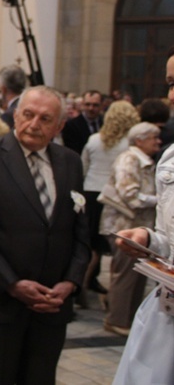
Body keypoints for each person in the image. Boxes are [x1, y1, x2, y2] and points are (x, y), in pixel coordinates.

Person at [0, 85, 90, 385]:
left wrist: (70, 282)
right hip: (2, 303)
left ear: (59, 126)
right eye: (28, 115)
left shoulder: (70, 161)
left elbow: (80, 230)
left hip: (53, 304)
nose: (34, 125)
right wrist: (12, 283)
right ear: (15, 116)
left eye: (45, 119)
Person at [112, 49, 174, 384]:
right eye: (169, 83)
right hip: (168, 316)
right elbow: (169, 238)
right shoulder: (171, 158)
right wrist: (148, 239)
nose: (171, 95)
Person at [98, 122, 160, 336]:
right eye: (154, 138)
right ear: (140, 140)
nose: (158, 142)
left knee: (137, 276)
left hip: (139, 228)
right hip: (123, 227)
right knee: (125, 275)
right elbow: (130, 196)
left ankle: (128, 318)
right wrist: (161, 200)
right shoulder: (129, 159)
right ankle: (117, 320)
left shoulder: (144, 160)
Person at [80, 100, 140, 297]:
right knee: (114, 248)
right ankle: (112, 293)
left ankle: (82, 285)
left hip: (91, 192)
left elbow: (84, 166)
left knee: (91, 245)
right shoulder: (129, 145)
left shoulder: (94, 139)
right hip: (113, 197)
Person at [62, 89, 104, 154]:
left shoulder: (105, 123)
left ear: (101, 106)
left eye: (95, 105)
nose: (91, 108)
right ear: (83, 104)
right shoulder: (71, 125)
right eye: (87, 104)